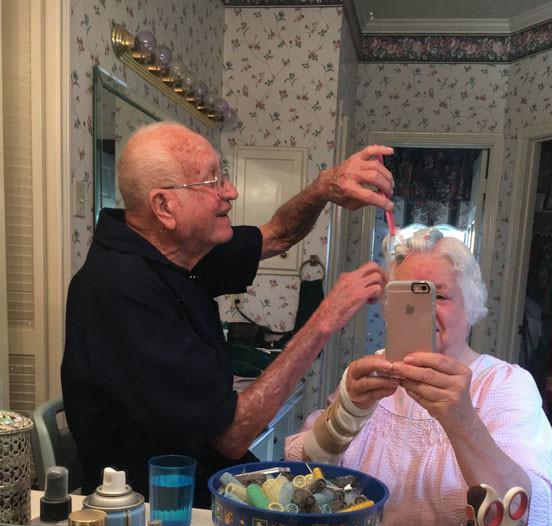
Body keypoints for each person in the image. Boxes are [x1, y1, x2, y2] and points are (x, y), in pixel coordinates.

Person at [61, 122, 394, 506]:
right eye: (213, 181)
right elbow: (232, 435)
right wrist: (324, 319)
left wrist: (323, 188)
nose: (231, 191)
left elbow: (279, 234)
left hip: (202, 482)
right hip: (155, 509)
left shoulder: (177, 250)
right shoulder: (119, 290)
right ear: (164, 206)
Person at [286, 228, 552, 526]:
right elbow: (303, 480)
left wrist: (463, 421)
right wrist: (345, 416)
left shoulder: (505, 385)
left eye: (439, 296)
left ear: (471, 308)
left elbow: (523, 518)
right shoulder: (370, 375)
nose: (424, 310)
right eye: (407, 297)